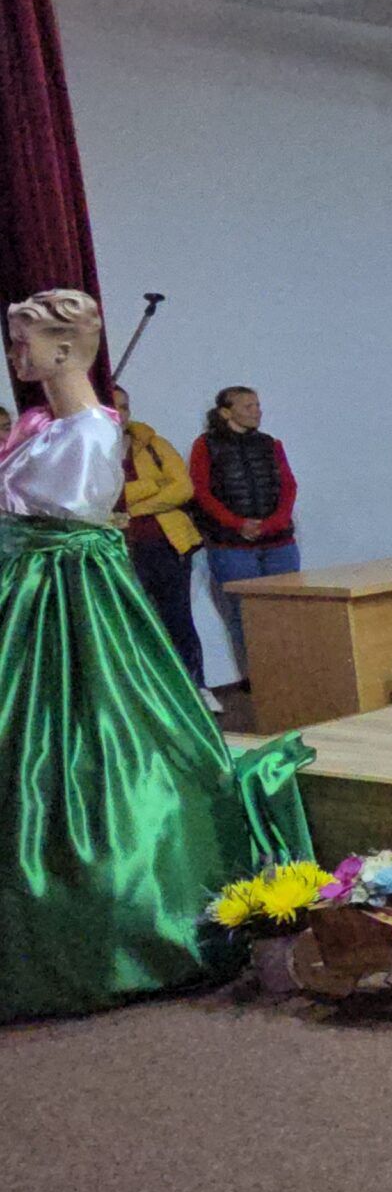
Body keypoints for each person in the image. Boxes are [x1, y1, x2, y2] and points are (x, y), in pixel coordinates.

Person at [2, 289, 312, 1021]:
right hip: (26, 592)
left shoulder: (90, 431)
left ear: (64, 350)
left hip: (67, 598)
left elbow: (74, 521)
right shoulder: (42, 428)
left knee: (93, 726)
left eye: (23, 344)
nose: (15, 358)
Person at [112, 385, 218, 714]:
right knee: (136, 624)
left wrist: (133, 509)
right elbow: (107, 495)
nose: (121, 414)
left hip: (167, 544)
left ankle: (197, 687)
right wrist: (151, 485)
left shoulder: (153, 443)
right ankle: (152, 700)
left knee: (179, 618)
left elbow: (183, 488)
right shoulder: (89, 451)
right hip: (121, 549)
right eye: (114, 407)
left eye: (125, 406)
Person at [190, 384, 299, 672]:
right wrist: (237, 524)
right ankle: (259, 676)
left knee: (287, 609)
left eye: (257, 405)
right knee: (244, 614)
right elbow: (202, 492)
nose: (256, 411)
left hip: (278, 542)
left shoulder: (269, 443)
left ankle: (291, 674)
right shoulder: (206, 445)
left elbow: (288, 486)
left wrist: (273, 523)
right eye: (248, 406)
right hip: (232, 545)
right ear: (226, 412)